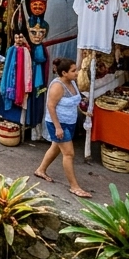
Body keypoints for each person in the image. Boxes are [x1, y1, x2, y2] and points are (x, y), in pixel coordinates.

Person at [33, 57, 94, 199]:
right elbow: (51, 106)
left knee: (55, 147)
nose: (77, 73)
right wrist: (58, 127)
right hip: (58, 124)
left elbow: (74, 102)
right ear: (64, 73)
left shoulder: (72, 83)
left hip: (69, 122)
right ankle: (74, 186)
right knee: (69, 154)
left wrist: (85, 111)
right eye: (73, 71)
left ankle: (40, 170)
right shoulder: (57, 86)